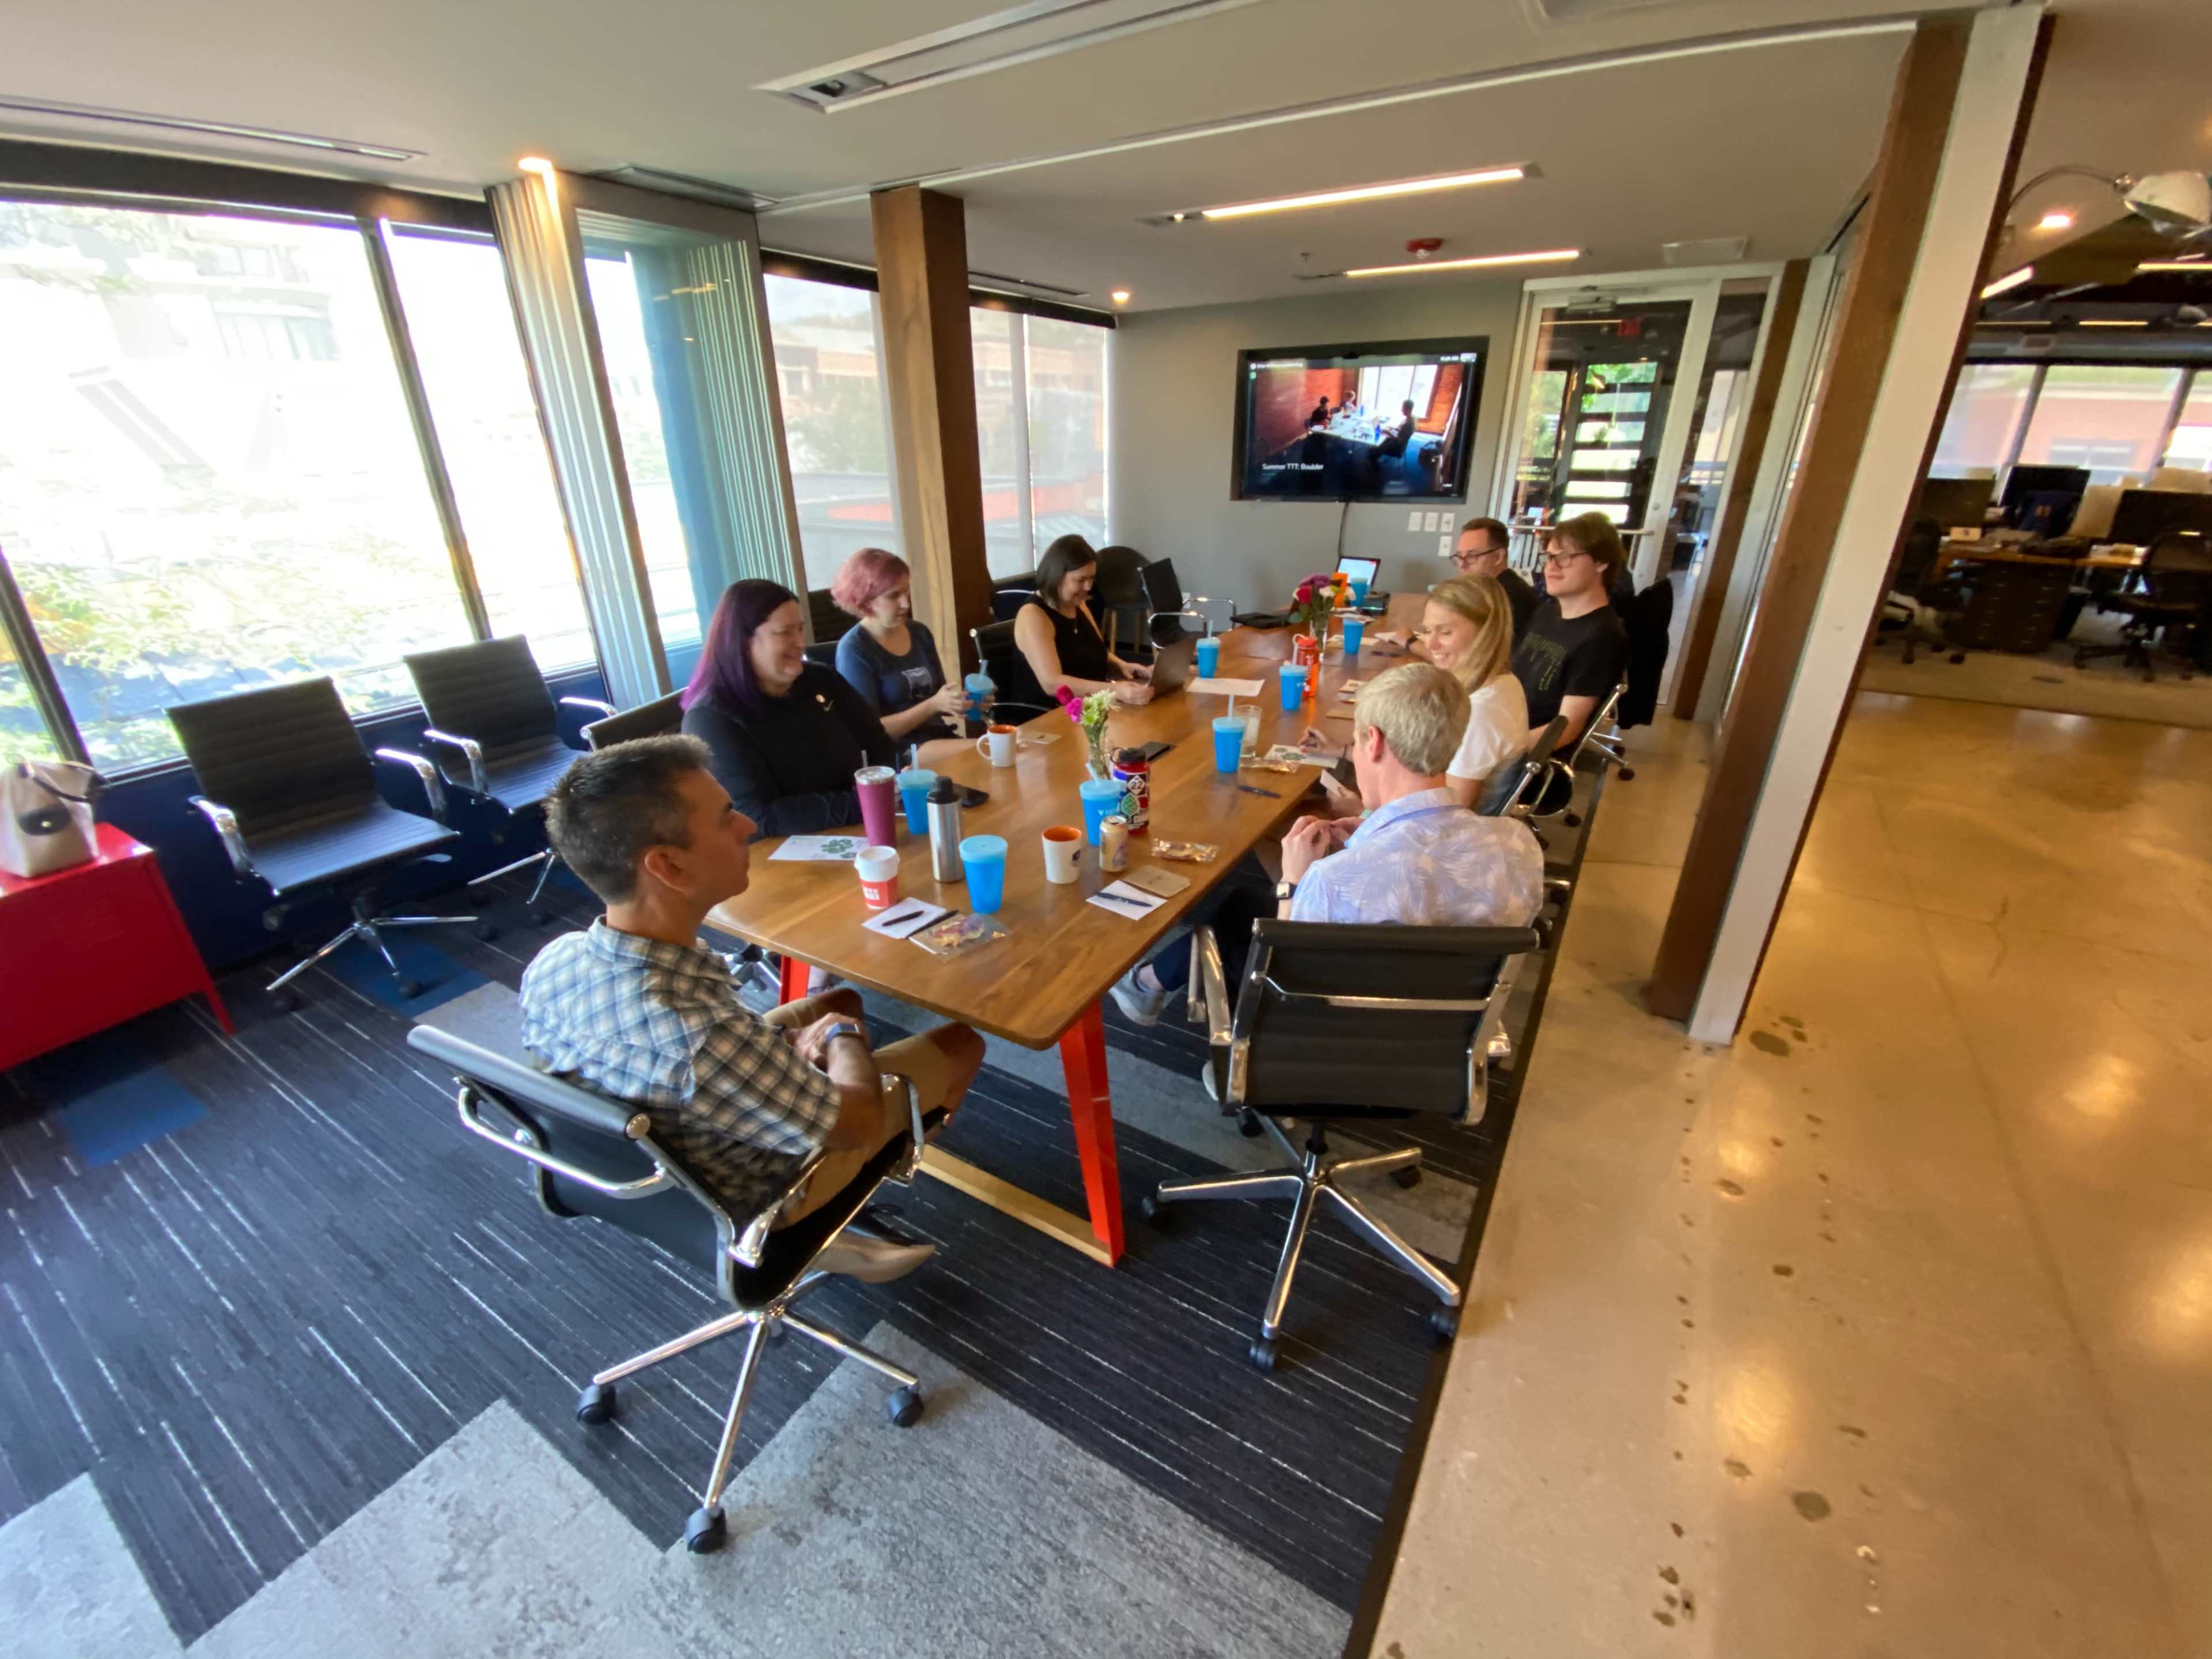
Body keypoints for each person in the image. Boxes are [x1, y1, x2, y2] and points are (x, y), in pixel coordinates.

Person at [519, 736, 986, 1278]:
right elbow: (853, 1119)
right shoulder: (700, 1040)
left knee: (837, 1000)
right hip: (760, 1196)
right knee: (959, 1041)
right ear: (667, 865)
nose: (747, 825)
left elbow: (709, 1049)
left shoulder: (553, 962)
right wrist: (843, 1037)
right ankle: (837, 1211)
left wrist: (826, 1028)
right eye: (724, 819)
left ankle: (830, 1062)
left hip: (662, 1159)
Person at [1111, 664, 1543, 1026]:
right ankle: (1148, 982)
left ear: (1373, 742)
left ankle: (1147, 984)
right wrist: (1375, 834)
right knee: (1244, 903)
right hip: (1443, 1037)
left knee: (1243, 918)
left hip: (1329, 1039)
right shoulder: (1519, 846)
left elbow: (1281, 984)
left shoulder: (1334, 882)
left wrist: (1294, 882)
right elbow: (1426, 878)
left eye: (1354, 742)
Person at [680, 579, 965, 839]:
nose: (800, 643)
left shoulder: (820, 679)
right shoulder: (712, 718)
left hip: (864, 833)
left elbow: (878, 745)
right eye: (784, 633)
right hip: (784, 861)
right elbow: (755, 815)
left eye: (801, 629)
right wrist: (869, 801)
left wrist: (896, 783)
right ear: (743, 642)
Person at [830, 547, 972, 749]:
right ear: (865, 599)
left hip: (938, 740)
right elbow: (868, 731)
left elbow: (940, 699)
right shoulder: (854, 649)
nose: (906, 603)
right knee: (988, 752)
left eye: (906, 592)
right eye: (893, 596)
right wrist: (933, 705)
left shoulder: (919, 632)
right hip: (898, 753)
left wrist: (966, 702)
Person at [1513, 512, 1629, 756]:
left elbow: (1565, 730)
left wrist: (1495, 751)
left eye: (1566, 557)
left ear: (1601, 562)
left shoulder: (1602, 637)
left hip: (1523, 759)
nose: (1552, 566)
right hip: (1502, 728)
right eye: (1550, 557)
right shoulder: (1546, 614)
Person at [1012, 535, 1153, 706]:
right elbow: (1052, 684)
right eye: (1081, 580)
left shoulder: (1077, 603)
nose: (1088, 587)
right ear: (1057, 577)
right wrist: (1115, 690)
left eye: (1091, 579)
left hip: (1091, 706)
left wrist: (1122, 666)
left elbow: (1095, 651)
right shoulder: (1033, 615)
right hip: (1051, 714)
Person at [1450, 516, 1538, 638]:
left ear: (1498, 557)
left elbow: (1474, 655)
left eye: (1472, 556)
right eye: (1460, 557)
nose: (1462, 565)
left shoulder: (1506, 597)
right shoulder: (1489, 589)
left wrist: (1413, 642)